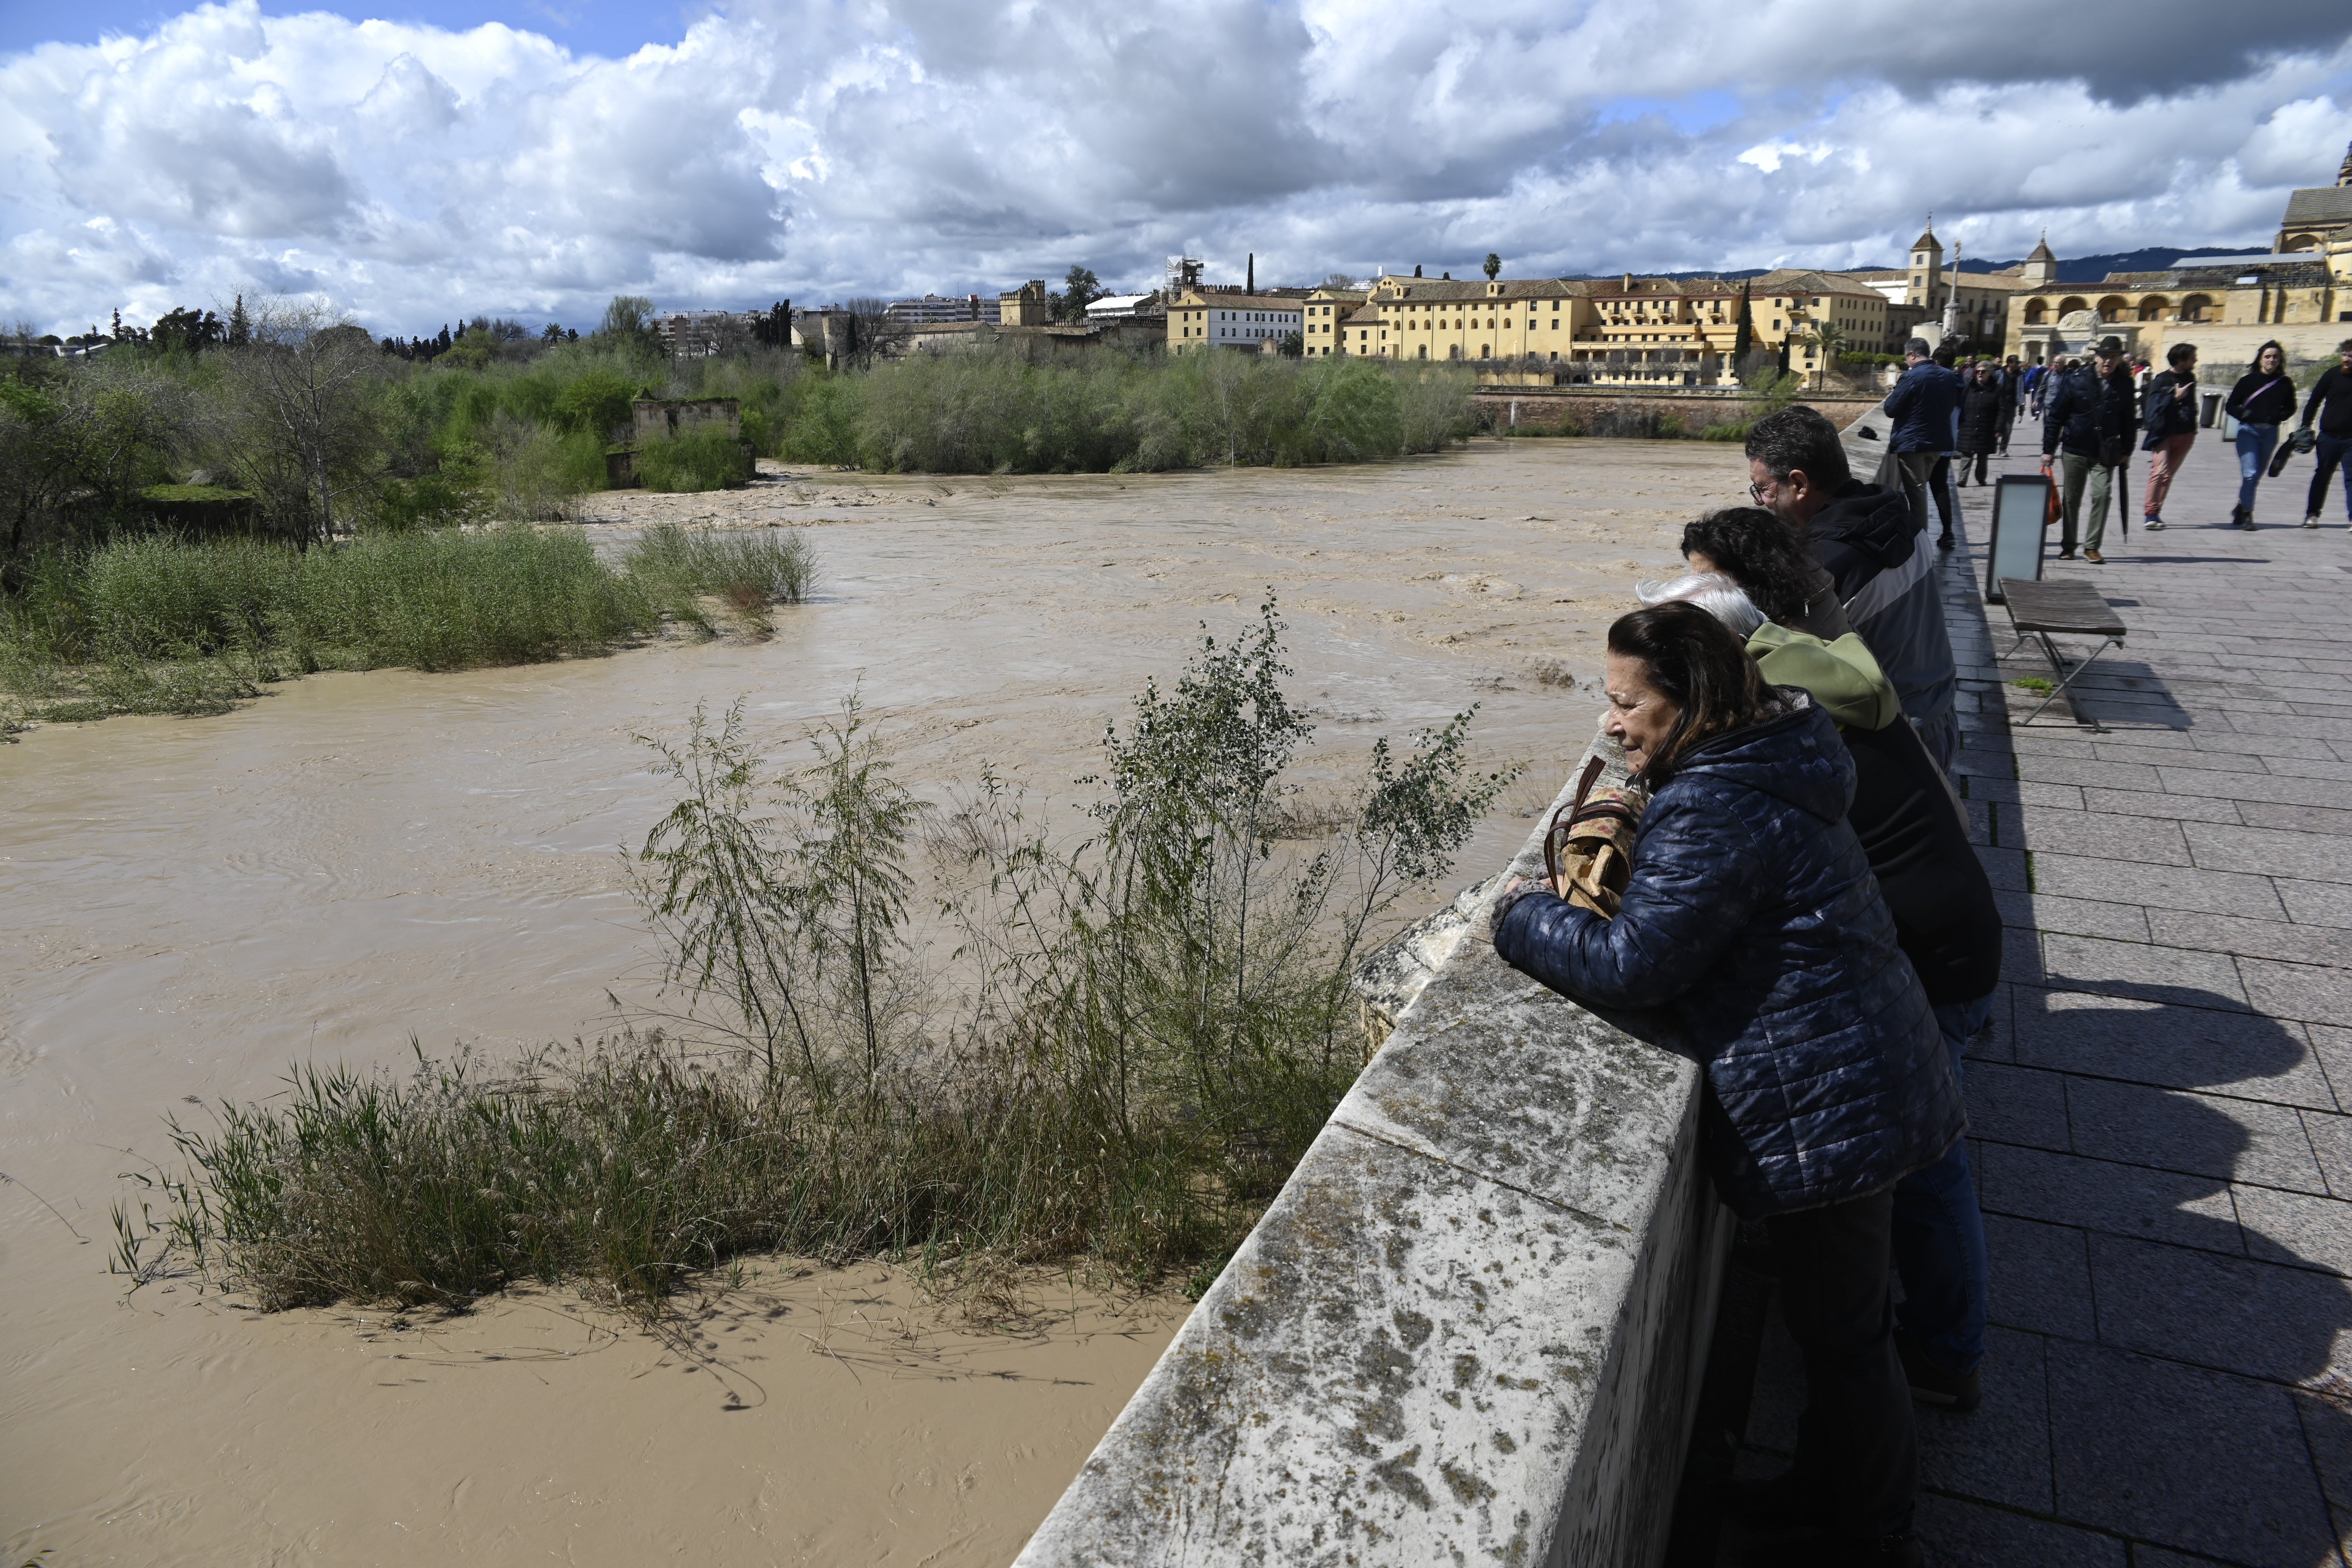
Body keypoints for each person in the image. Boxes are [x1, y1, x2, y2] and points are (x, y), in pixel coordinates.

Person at [1490, 602, 1962, 1568]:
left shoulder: (1717, 802)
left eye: (1627, 702)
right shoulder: (1764, 758)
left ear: (1689, 699)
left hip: (1836, 1100)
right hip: (1863, 1068)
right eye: (1607, 699)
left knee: (1846, 1334)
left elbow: (1633, 964)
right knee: (1840, 1326)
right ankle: (1824, 1490)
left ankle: (1878, 1537)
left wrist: (1519, 918)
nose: (1612, 722)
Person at [1644, 542, 2004, 1414]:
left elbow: (1664, 932)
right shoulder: (1810, 673)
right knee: (1918, 1163)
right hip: (1939, 922)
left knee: (1927, 1169)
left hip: (1929, 947)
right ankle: (1926, 1342)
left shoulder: (1770, 718)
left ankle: (1947, 1354)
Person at [1745, 405, 1962, 769]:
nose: (1760, 503)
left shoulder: (1819, 567)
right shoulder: (1894, 512)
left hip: (1895, 746)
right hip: (1941, 715)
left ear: (1799, 484)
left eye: (1763, 490)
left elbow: (1777, 671)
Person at [2039, 336, 2137, 564]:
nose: (2108, 361)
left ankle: (2092, 547)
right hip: (2075, 448)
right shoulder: (2076, 380)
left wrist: (2128, 451)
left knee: (2102, 495)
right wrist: (2049, 449)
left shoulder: (2125, 383)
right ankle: (2069, 546)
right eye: (2105, 356)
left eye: (2114, 357)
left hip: (2105, 451)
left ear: (2120, 359)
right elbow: (2056, 416)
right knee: (2072, 499)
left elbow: (2129, 420)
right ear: (2096, 356)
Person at [1884, 338, 1962, 544]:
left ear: (1912, 355)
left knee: (1917, 496)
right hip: (1939, 444)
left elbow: (1891, 409)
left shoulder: (1911, 377)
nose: (1907, 362)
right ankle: (1920, 541)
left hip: (1913, 444)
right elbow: (1953, 404)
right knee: (1921, 490)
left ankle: (1920, 546)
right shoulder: (1949, 376)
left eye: (1907, 358)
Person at [2226, 340, 2296, 529]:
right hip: (2248, 431)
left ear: (2280, 360)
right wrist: (2246, 414)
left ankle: (2241, 507)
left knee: (2256, 476)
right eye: (2267, 357)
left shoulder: (2285, 383)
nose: (2271, 360)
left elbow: (2291, 407)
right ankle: (2249, 515)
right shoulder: (2247, 381)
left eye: (2275, 357)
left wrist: (2278, 417)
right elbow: (2231, 405)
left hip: (2270, 432)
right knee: (2249, 473)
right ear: (2260, 360)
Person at [2139, 342, 2200, 531]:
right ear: (2181, 360)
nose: (2195, 360)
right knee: (2159, 472)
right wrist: (2174, 398)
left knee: (2168, 475)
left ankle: (2157, 512)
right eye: (2192, 358)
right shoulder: (2162, 380)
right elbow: (2152, 409)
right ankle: (2150, 513)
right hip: (2164, 433)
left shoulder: (2191, 377)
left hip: (2186, 433)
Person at [2299, 339, 2352, 529]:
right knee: (2322, 476)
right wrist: (2306, 427)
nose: (2347, 359)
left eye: (2351, 356)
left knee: (2351, 479)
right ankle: (2312, 515)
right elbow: (2314, 401)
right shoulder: (2332, 375)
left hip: (2351, 440)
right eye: (2345, 355)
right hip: (2328, 437)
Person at [1956, 361, 2005, 486]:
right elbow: (1960, 405)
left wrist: (1999, 427)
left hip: (1986, 427)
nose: (1980, 374)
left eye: (1983, 372)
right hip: (1968, 425)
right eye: (1978, 372)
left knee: (1983, 456)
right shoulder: (1969, 387)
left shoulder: (1997, 389)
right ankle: (1962, 479)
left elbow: (2002, 409)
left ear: (1989, 373)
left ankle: (1981, 478)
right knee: (1966, 454)